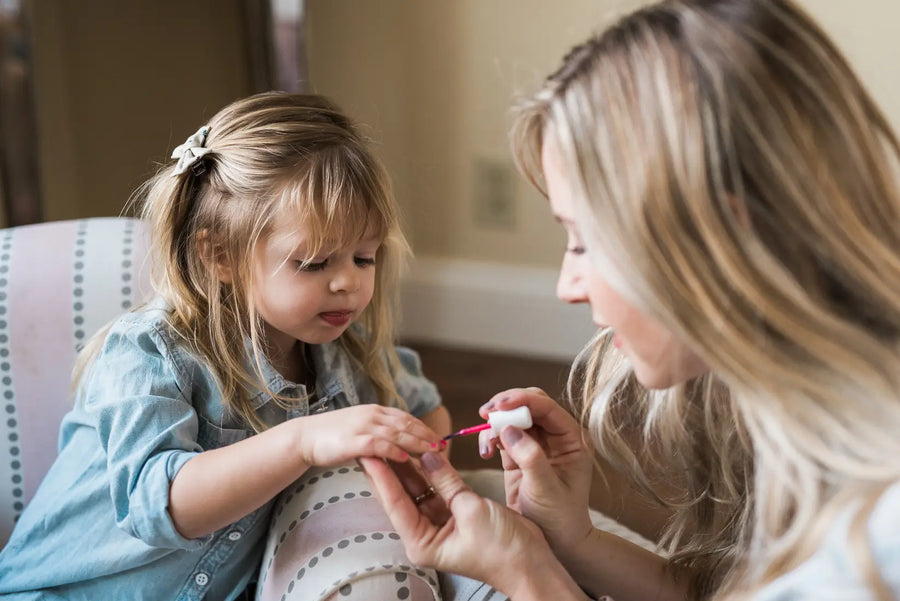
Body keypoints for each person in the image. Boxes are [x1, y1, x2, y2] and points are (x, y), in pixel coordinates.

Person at [361, 1, 900, 600]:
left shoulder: (877, 539)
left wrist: (527, 574)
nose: (566, 285)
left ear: (720, 239)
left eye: (586, 242)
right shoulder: (825, 426)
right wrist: (572, 540)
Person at [0, 92, 452, 599]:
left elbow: (426, 413)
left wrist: (422, 456)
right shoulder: (151, 352)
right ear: (220, 256)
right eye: (314, 263)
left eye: (364, 258)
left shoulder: (349, 351)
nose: (347, 282)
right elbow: (162, 506)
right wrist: (302, 441)